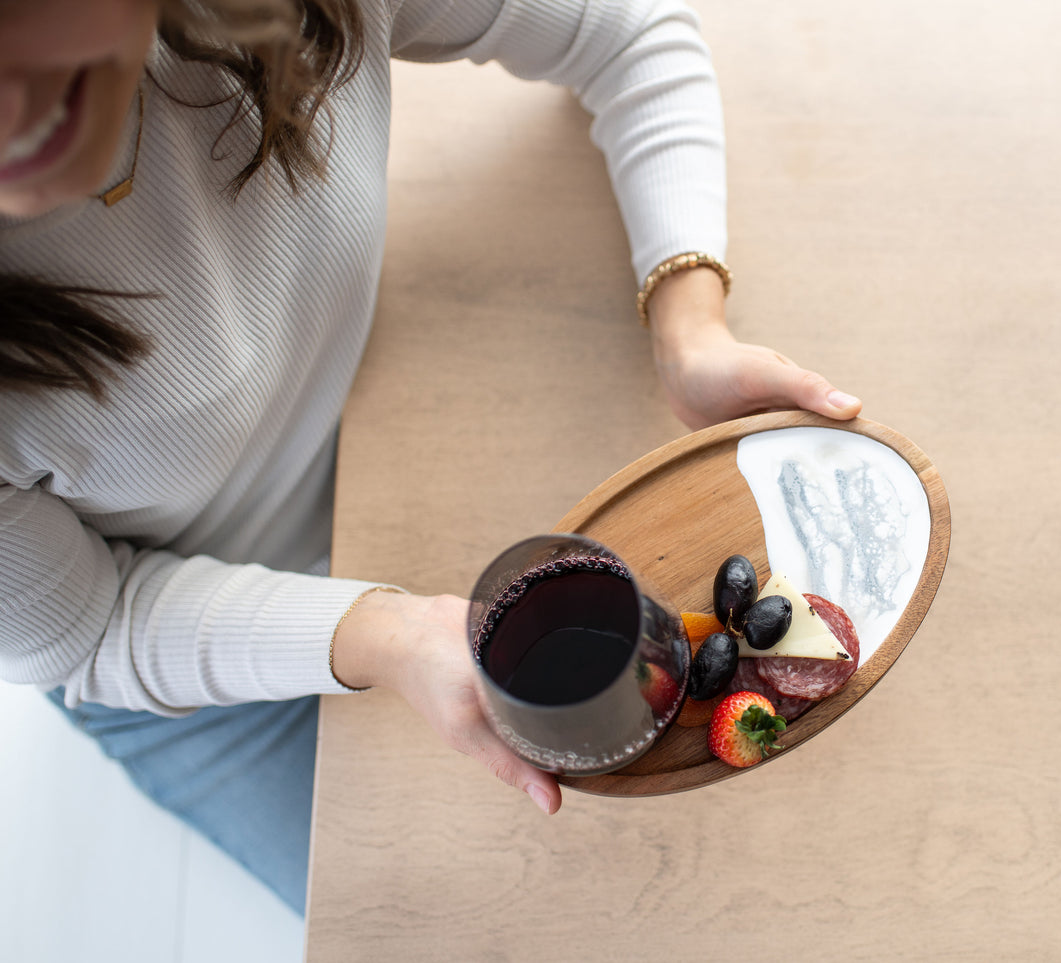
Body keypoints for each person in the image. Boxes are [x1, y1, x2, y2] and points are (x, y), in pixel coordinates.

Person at [0, 0, 861, 916]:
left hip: (396, 434)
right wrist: (387, 633)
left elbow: (627, 29)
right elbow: (89, 629)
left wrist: (688, 328)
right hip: (193, 669)